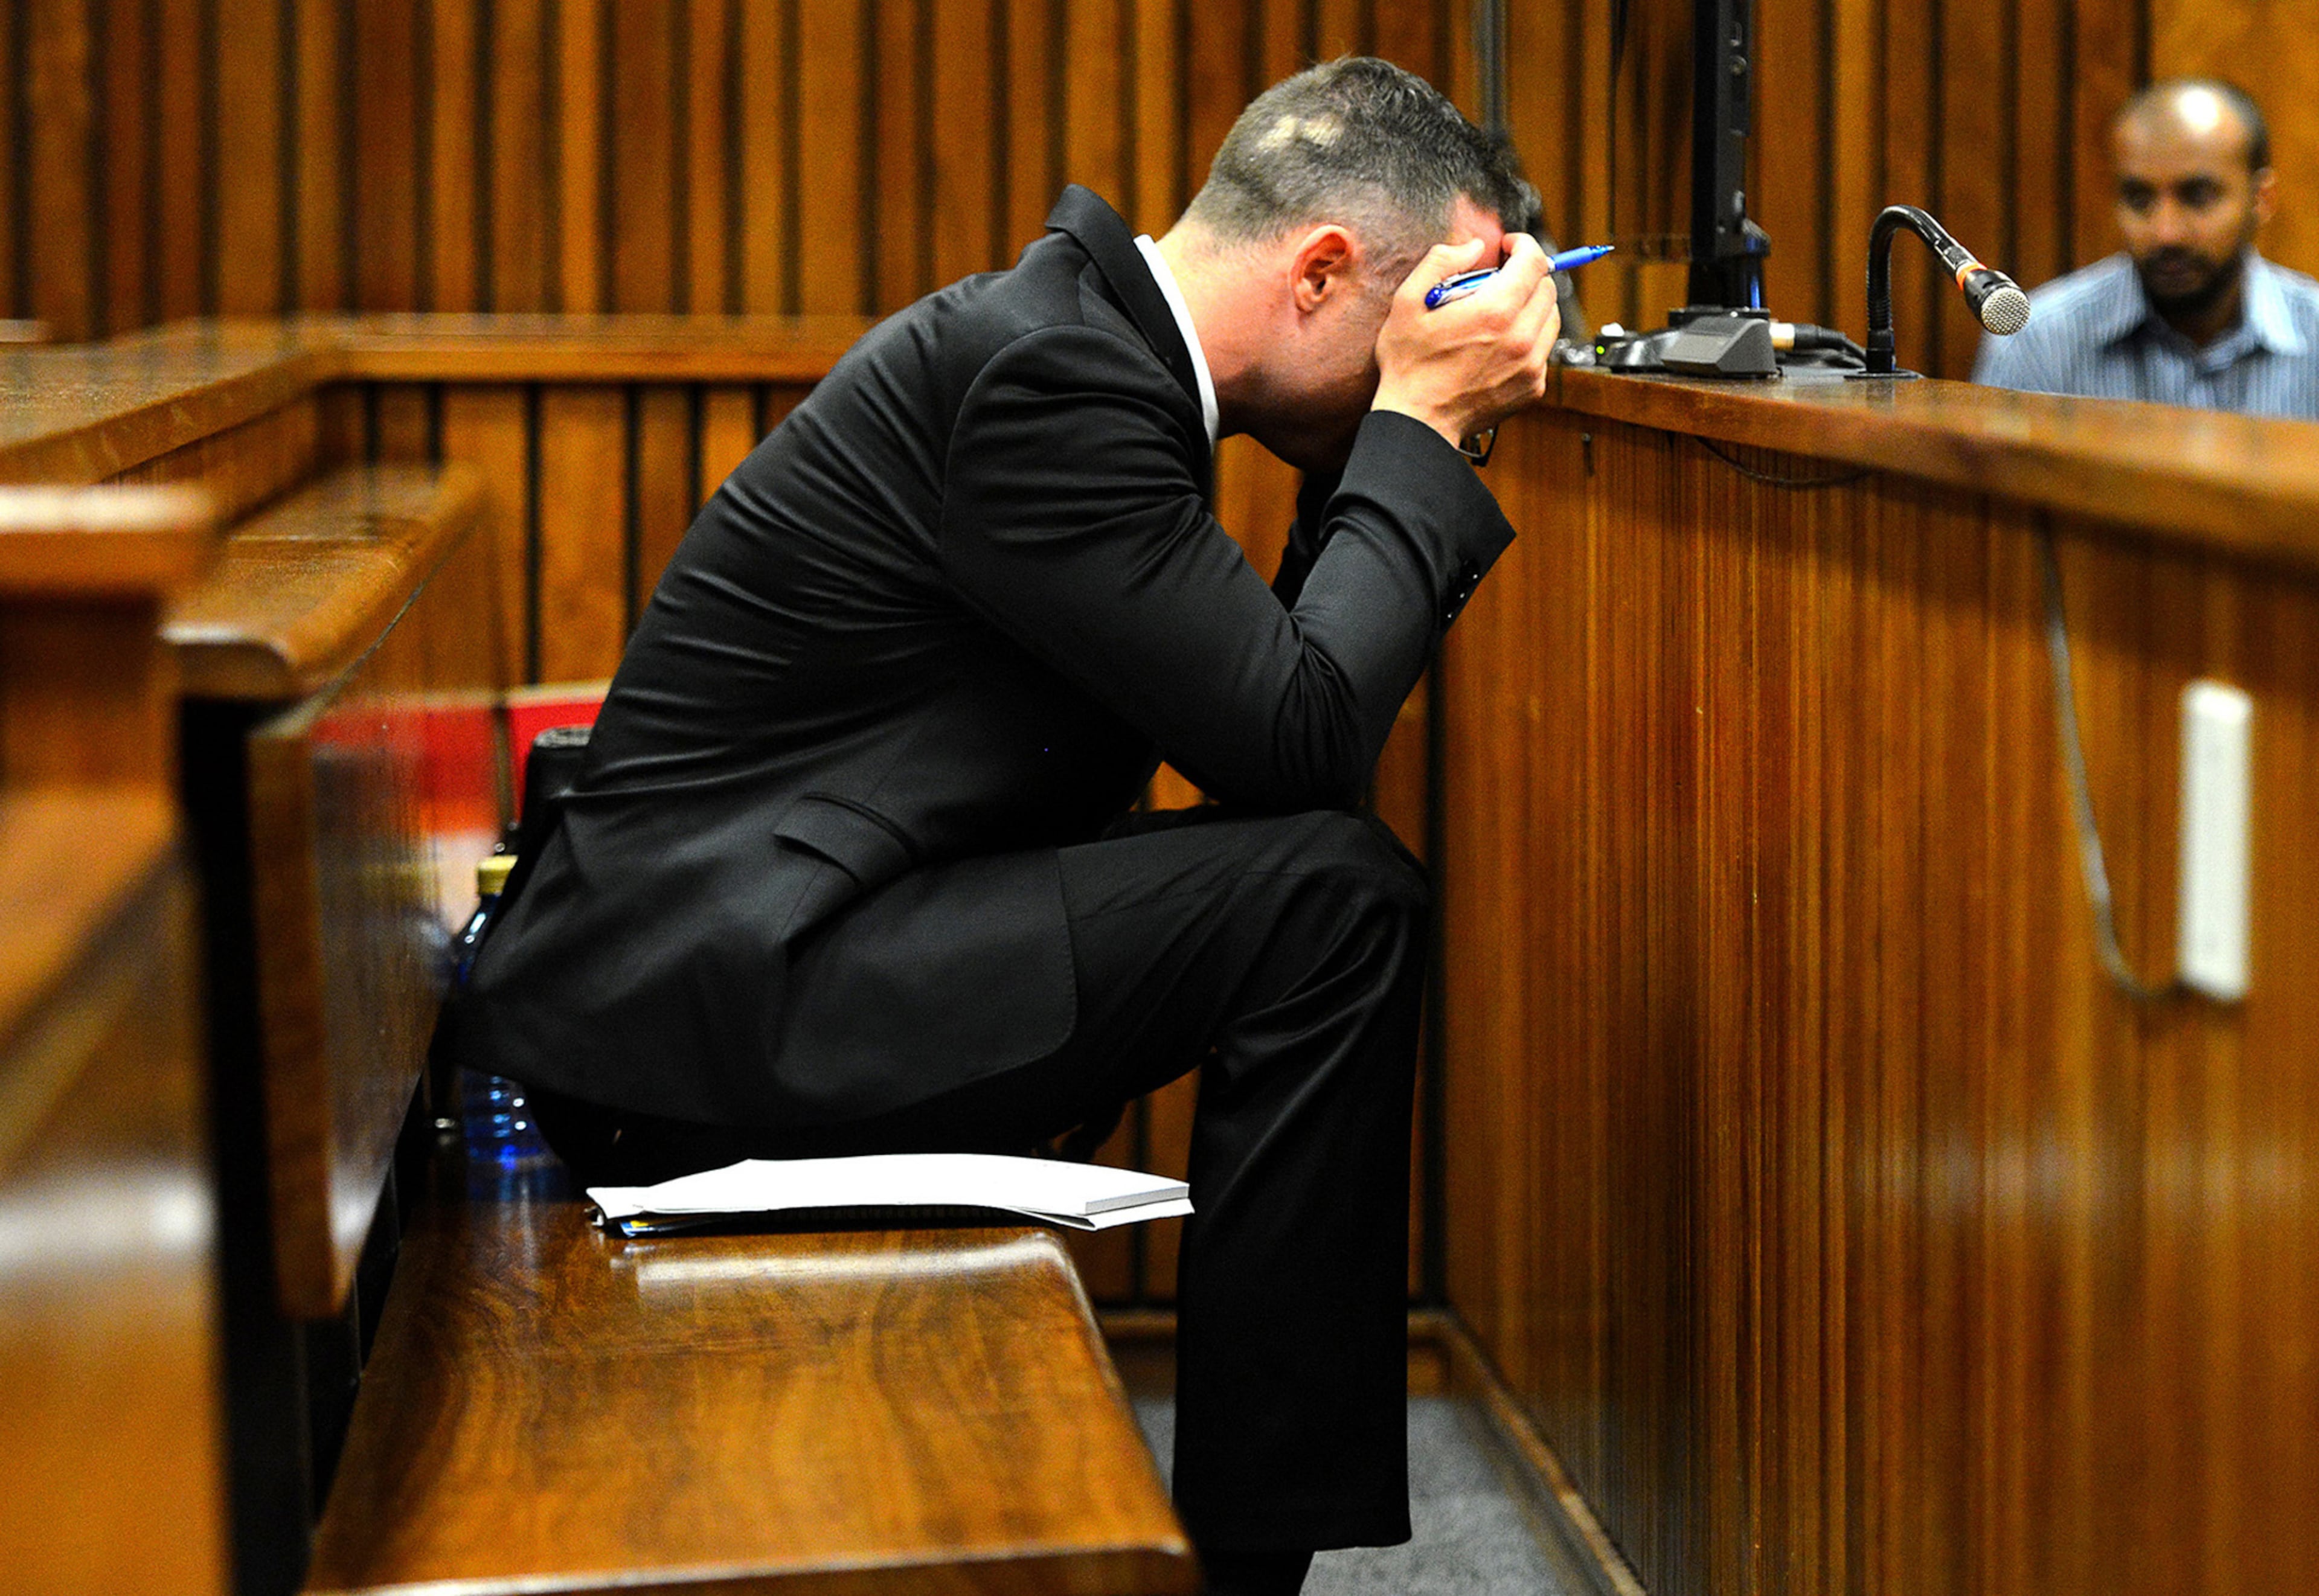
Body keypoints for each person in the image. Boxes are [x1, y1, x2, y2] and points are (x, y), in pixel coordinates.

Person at [455, 57, 1553, 1596]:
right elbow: (1302, 747)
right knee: (1336, 903)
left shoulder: (1079, 354)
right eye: (1419, 318)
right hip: (700, 1022)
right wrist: (1424, 425)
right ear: (1318, 271)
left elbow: (1276, 747)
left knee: (1322, 889)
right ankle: (1244, 1577)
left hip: (755, 965)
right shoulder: (1051, 380)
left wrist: (1399, 419)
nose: (1436, 361)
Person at [1974, 78, 2319, 416]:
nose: (2166, 233)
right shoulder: (2038, 343)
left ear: (2261, 199)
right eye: (2139, 199)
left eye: (2197, 196)